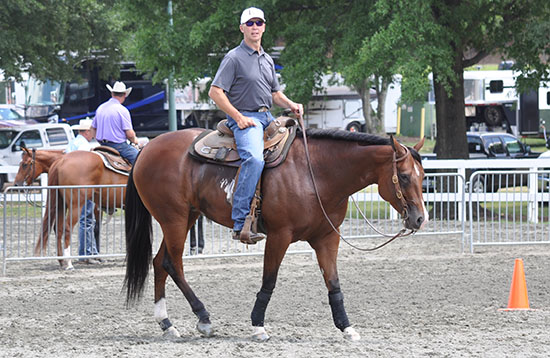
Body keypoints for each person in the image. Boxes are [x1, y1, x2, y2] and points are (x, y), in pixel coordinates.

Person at [208, 7, 303, 243]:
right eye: (249, 23)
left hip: (267, 116)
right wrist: (238, 117)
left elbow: (274, 94)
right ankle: (240, 221)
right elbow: (215, 92)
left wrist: (291, 104)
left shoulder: (267, 59)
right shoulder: (233, 58)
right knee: (255, 159)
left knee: (296, 146)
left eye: (259, 23)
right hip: (245, 118)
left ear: (264, 27)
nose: (255, 27)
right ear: (242, 28)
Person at [66, 118, 101, 264]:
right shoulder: (84, 146)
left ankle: (90, 251)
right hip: (84, 184)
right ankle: (86, 253)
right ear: (87, 131)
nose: (93, 133)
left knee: (86, 219)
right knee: (87, 219)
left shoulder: (73, 143)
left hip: (74, 186)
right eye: (92, 131)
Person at [91, 81, 139, 165]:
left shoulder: (101, 108)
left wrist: (100, 140)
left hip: (102, 145)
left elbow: (92, 128)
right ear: (124, 95)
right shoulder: (122, 110)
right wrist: (135, 140)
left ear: (112, 93)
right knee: (140, 160)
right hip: (119, 146)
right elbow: (130, 134)